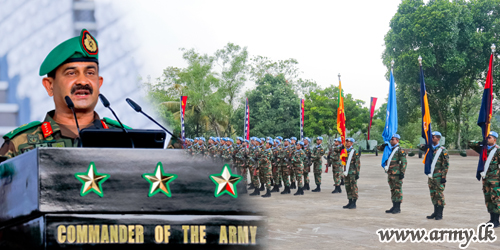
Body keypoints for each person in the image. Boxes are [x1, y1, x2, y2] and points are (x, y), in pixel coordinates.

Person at [0, 29, 127, 160]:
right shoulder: (18, 145)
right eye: (71, 73)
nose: (83, 81)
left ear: (99, 83)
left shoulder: (126, 138)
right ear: (50, 86)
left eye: (90, 73)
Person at [469, 131, 500, 228]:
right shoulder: (483, 149)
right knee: (488, 199)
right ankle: (491, 219)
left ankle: (496, 220)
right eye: (487, 137)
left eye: (489, 137)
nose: (488, 139)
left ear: (495, 139)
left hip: (495, 179)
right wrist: (482, 142)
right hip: (486, 179)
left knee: (496, 199)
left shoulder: (498, 150)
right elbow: (470, 143)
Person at [418, 131, 449, 220]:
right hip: (431, 176)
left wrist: (443, 177)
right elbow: (419, 146)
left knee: (439, 195)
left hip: (439, 176)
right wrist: (426, 145)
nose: (431, 138)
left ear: (438, 139)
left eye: (433, 137)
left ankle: (440, 214)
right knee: (433, 195)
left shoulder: (443, 150)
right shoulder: (429, 148)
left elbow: (446, 165)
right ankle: (435, 212)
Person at [378, 134, 407, 214]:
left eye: (393, 139)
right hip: (390, 173)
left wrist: (402, 172)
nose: (391, 141)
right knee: (393, 190)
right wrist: (383, 144)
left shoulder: (399, 150)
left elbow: (404, 162)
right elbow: (378, 148)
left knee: (397, 190)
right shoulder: (389, 148)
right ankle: (394, 206)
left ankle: (398, 208)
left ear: (397, 140)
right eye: (391, 139)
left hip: (397, 173)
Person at [343, 138, 360, 209]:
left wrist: (357, 173)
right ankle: (349, 201)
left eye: (349, 142)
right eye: (346, 142)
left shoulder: (354, 151)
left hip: (352, 172)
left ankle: (354, 202)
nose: (347, 143)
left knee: (353, 187)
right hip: (346, 172)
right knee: (347, 187)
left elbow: (358, 163)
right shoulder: (344, 151)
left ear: (352, 143)